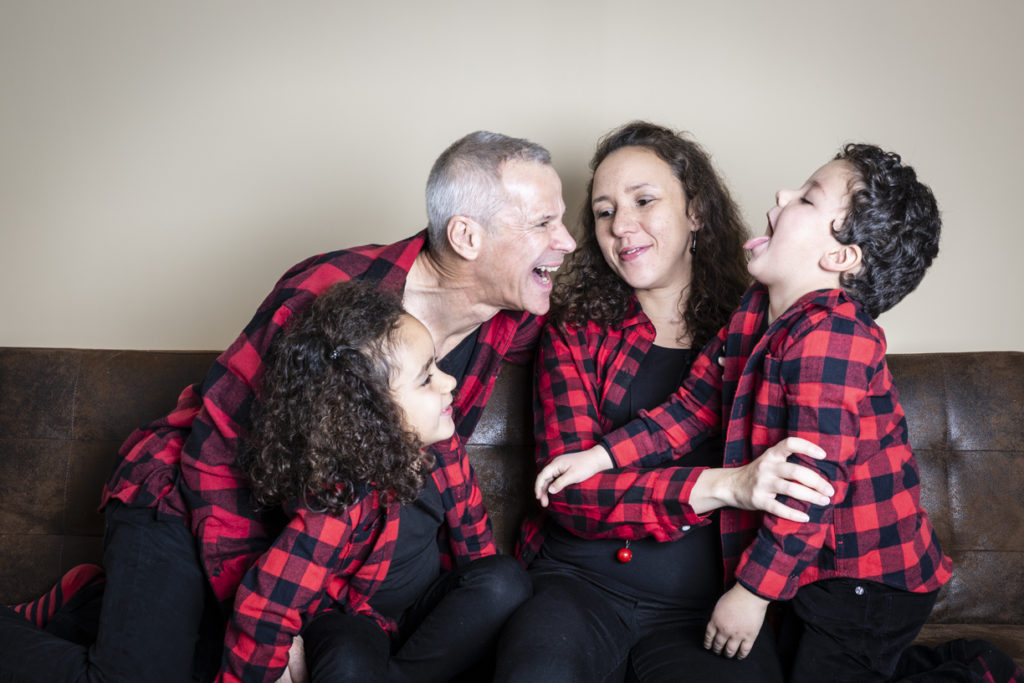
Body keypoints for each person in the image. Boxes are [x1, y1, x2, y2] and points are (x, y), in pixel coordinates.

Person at [0, 130, 574, 682]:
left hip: (294, 542)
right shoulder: (329, 295)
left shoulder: (506, 314)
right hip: (182, 497)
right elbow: (218, 456)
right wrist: (273, 630)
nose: (567, 241)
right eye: (544, 223)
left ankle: (93, 607)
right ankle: (100, 607)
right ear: (467, 237)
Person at [535, 142, 953, 682]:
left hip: (868, 579)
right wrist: (601, 455)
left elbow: (807, 485)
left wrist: (752, 593)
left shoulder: (835, 336)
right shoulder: (755, 310)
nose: (781, 195)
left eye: (806, 199)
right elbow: (692, 405)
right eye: (605, 210)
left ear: (840, 256)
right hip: (810, 567)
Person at [496, 121, 835, 683]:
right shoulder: (575, 330)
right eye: (604, 212)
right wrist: (724, 485)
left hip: (709, 605)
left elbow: (809, 474)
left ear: (696, 211)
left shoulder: (761, 331)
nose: (621, 226)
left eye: (644, 201)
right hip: (577, 587)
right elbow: (570, 493)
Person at [218, 280, 530, 683]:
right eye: (425, 379)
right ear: (369, 413)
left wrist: (478, 626)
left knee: (504, 580)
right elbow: (268, 604)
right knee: (348, 664)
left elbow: (476, 547)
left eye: (436, 366)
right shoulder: (337, 497)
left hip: (424, 613)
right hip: (353, 617)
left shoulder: (443, 448)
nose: (448, 382)